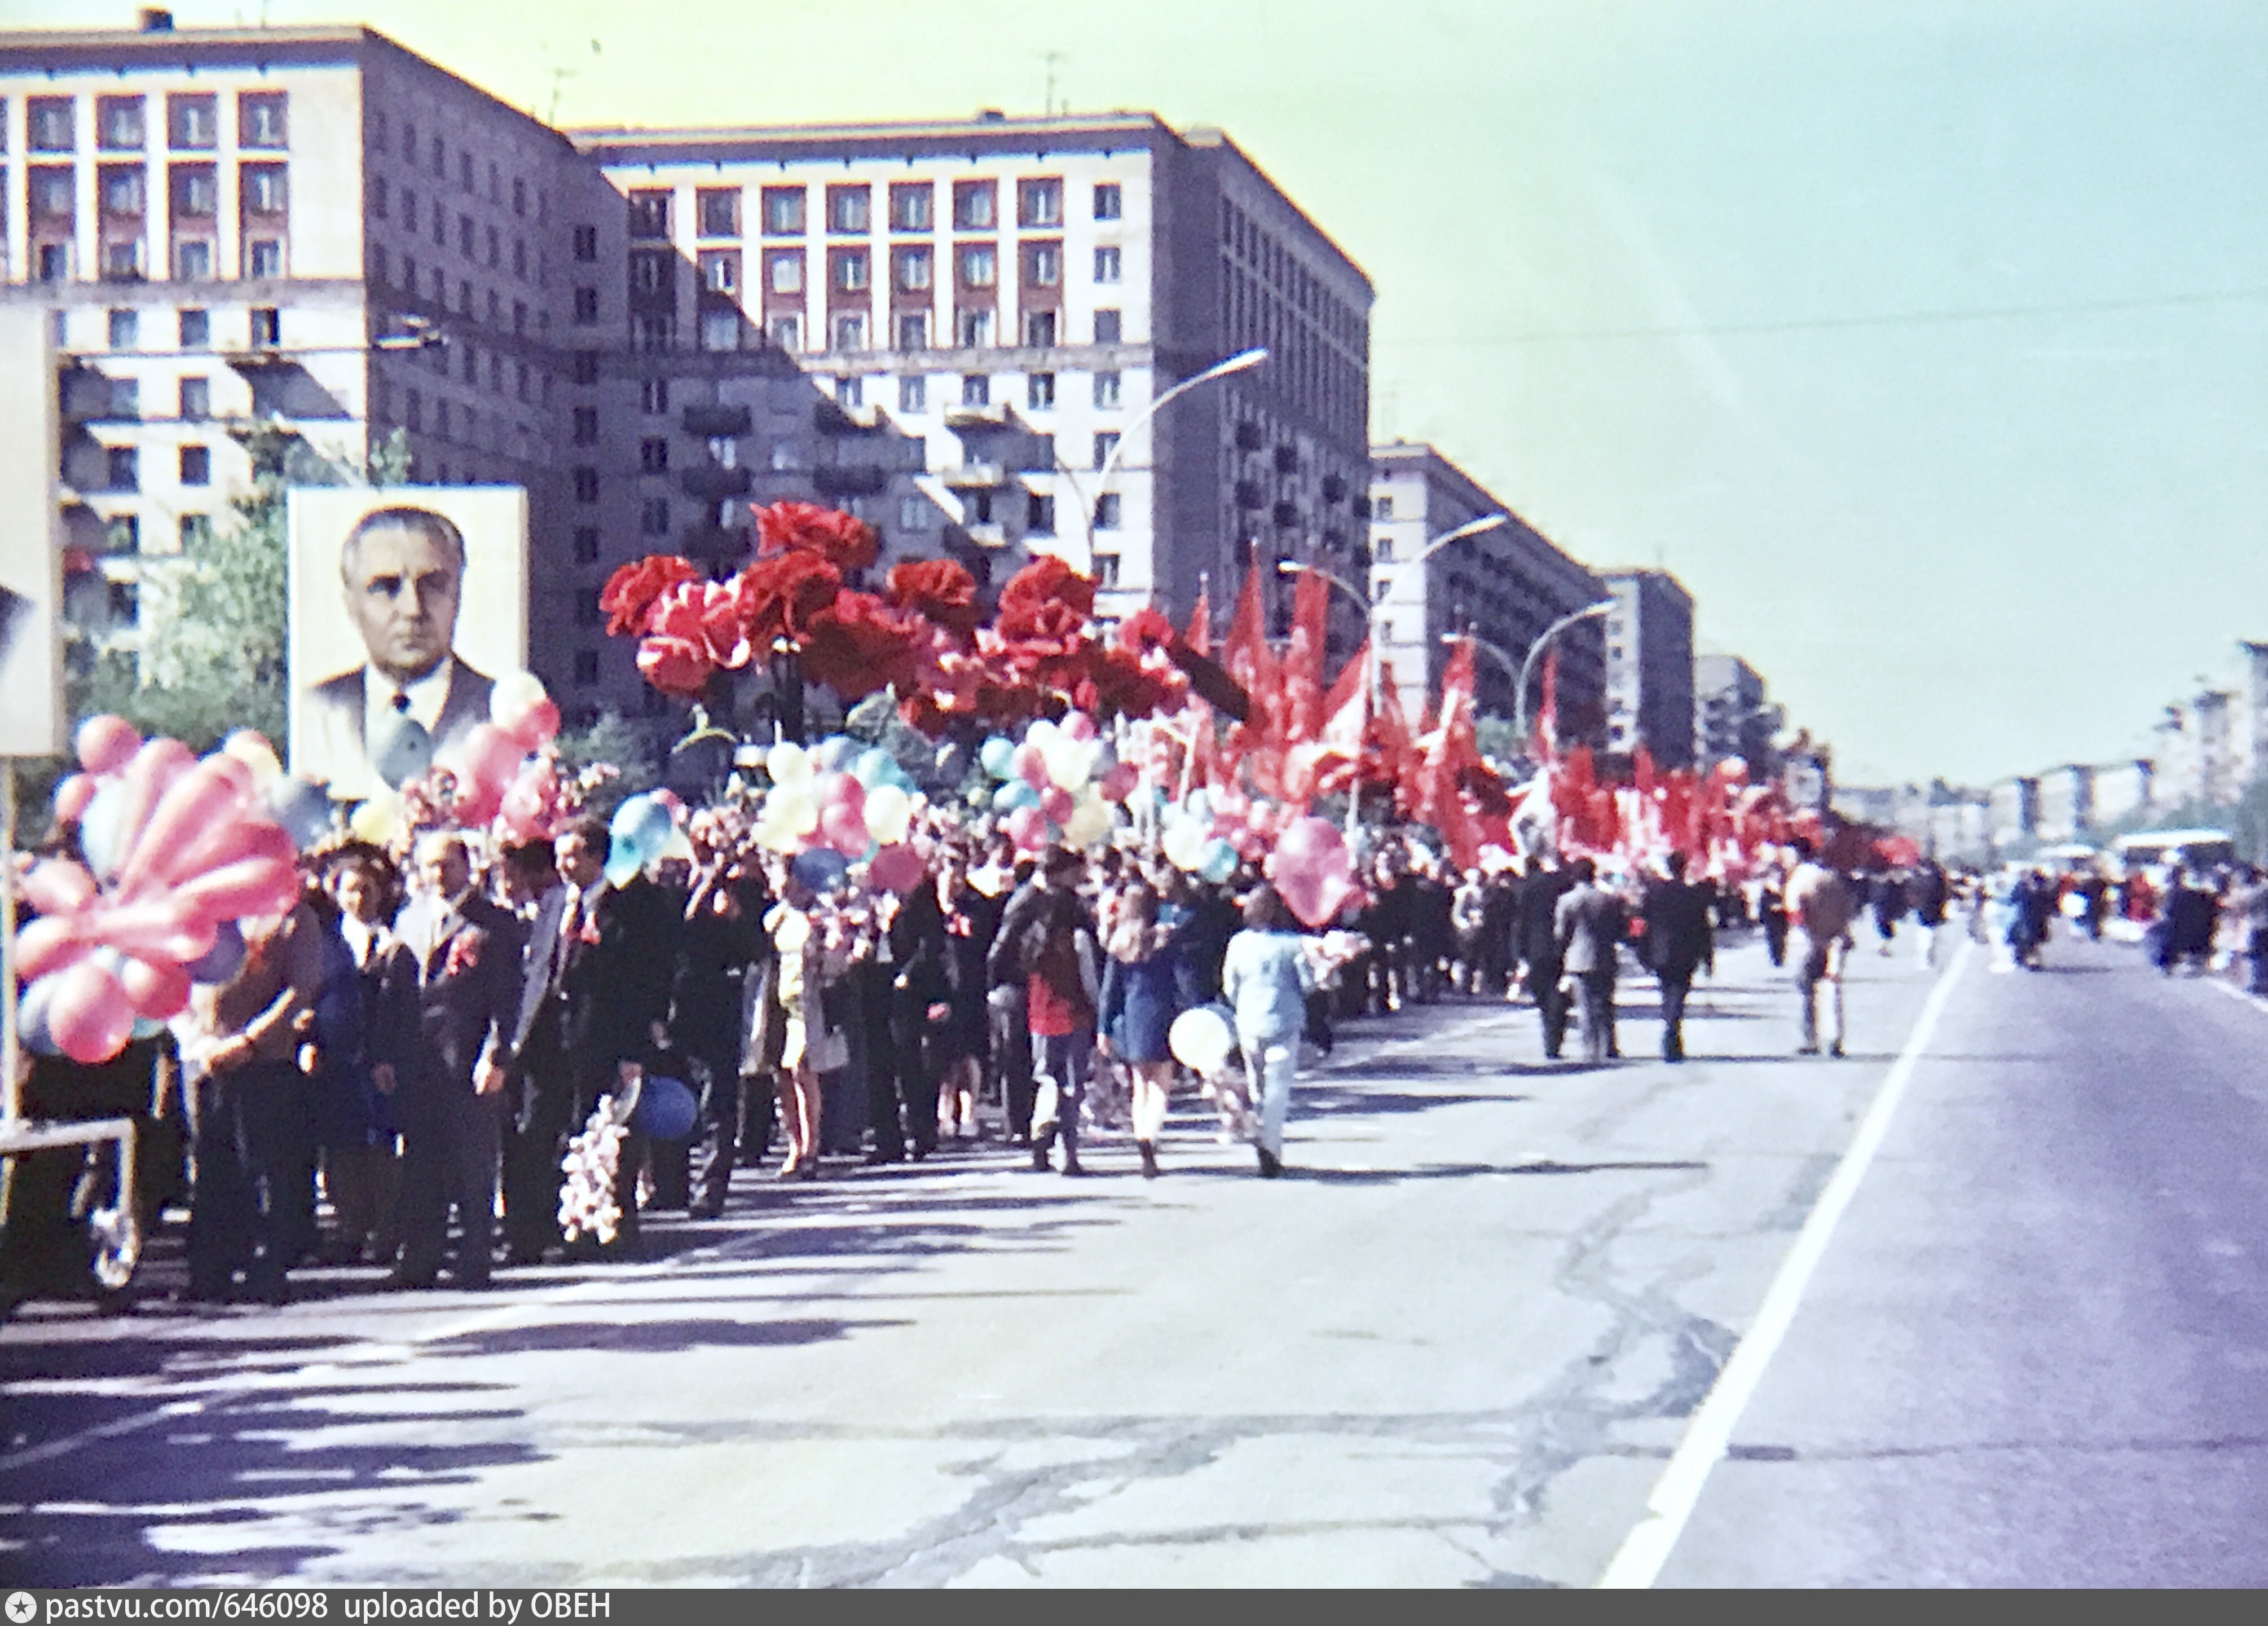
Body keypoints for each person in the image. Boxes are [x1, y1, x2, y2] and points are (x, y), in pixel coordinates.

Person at [501, 818, 676, 1261]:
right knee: (537, 1132)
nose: (564, 864)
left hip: (599, 1037)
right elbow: (537, 970)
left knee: (599, 1136)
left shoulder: (629, 910)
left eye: (574, 855)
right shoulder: (553, 903)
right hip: (545, 1039)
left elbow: (643, 985)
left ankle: (601, 1227)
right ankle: (534, 1231)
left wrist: (634, 1050)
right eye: (560, 855)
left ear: (598, 858)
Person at [376, 834, 522, 1290]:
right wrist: (384, 1055)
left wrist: (496, 1055)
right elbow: (394, 995)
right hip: (418, 1061)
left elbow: (507, 997)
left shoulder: (494, 922)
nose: (438, 875)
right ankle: (419, 1258)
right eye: (429, 866)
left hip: (468, 1060)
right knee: (421, 1165)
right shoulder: (409, 919)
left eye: (447, 865)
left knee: (473, 1163)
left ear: (466, 866)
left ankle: (474, 1257)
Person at [174, 892, 327, 1303]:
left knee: (263, 1165)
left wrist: (249, 1041)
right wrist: (197, 1040)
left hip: (264, 1062)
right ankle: (210, 1269)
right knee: (211, 1166)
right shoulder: (200, 910)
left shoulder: (292, 917)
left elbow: (301, 988)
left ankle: (268, 1265)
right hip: (204, 1061)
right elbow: (168, 980)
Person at [295, 504, 496, 801]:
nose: (413, 608)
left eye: (433, 585)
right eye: (386, 587)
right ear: (351, 604)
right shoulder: (318, 710)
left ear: (459, 593)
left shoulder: (498, 715)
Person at [1008, 848, 1100, 1176]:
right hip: (1074, 1010)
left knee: (1047, 1076)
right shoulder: (1077, 936)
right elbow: (1090, 976)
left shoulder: (1034, 937)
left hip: (1041, 1012)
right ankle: (1068, 1154)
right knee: (1073, 1083)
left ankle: (1041, 1127)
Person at [1219, 885, 1319, 1178]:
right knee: (1278, 1088)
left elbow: (1230, 985)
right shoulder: (1293, 944)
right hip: (1284, 1020)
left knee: (1258, 1087)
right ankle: (1270, 1144)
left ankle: (1261, 1136)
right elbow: (1308, 983)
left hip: (1249, 1021)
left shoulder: (1238, 944)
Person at [1098, 880, 1185, 1178]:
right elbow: (1180, 982)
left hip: (1132, 1017)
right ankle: (1150, 1137)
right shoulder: (1165, 940)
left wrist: (1104, 1027)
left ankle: (1140, 1137)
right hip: (1162, 1012)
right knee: (1162, 1082)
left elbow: (1110, 991)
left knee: (1140, 1084)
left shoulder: (1119, 942)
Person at [1641, 851, 1715, 1063]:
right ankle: (1673, 1029)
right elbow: (1704, 929)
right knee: (1679, 993)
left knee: (1666, 990)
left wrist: (1642, 952)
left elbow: (1643, 925)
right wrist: (1708, 958)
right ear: (1684, 868)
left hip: (1661, 952)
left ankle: (1670, 1024)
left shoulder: (1654, 894)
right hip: (1686, 952)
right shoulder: (1693, 895)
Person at [1785, 838, 1857, 1056]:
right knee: (1831, 988)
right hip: (1836, 937)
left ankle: (1811, 1038)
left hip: (1810, 940)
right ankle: (1835, 1039)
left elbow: (1796, 911)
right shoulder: (1831, 876)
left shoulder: (1798, 879)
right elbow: (1847, 906)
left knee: (1807, 988)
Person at [1554, 858, 1624, 1065]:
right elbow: (1618, 929)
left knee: (1584, 1007)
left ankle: (1589, 1047)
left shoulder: (1567, 901)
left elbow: (1561, 933)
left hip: (1578, 959)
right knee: (1605, 1004)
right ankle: (1609, 1045)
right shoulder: (1608, 900)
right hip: (1604, 956)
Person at [1514, 854, 1574, 1059]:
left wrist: (1520, 952)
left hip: (1535, 948)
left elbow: (1520, 922)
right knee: (1559, 993)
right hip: (1561, 946)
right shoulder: (1565, 884)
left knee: (1542, 993)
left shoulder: (1528, 888)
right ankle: (1555, 1037)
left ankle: (1549, 1036)